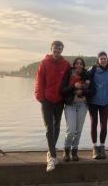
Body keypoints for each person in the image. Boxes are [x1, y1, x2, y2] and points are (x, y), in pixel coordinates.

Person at [35, 40, 71, 172]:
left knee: (56, 126)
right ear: (51, 49)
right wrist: (41, 98)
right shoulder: (44, 63)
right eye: (55, 48)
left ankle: (51, 151)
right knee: (49, 127)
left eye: (60, 49)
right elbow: (39, 81)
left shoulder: (66, 64)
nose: (57, 51)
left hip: (59, 101)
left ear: (62, 50)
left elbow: (70, 80)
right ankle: (52, 157)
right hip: (47, 100)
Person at [60, 57, 95, 162]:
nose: (79, 65)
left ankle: (74, 150)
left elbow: (93, 91)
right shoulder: (68, 74)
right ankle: (66, 150)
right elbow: (63, 90)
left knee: (78, 130)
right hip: (70, 105)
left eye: (81, 64)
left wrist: (83, 91)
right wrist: (73, 87)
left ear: (83, 66)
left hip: (82, 106)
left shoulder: (87, 76)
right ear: (74, 65)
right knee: (71, 130)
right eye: (77, 63)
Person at [88, 51, 108, 159]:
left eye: (105, 58)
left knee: (104, 125)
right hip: (93, 101)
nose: (103, 60)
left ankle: (102, 147)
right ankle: (94, 147)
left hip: (104, 102)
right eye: (101, 58)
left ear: (107, 59)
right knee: (94, 123)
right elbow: (83, 77)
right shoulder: (93, 70)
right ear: (98, 60)